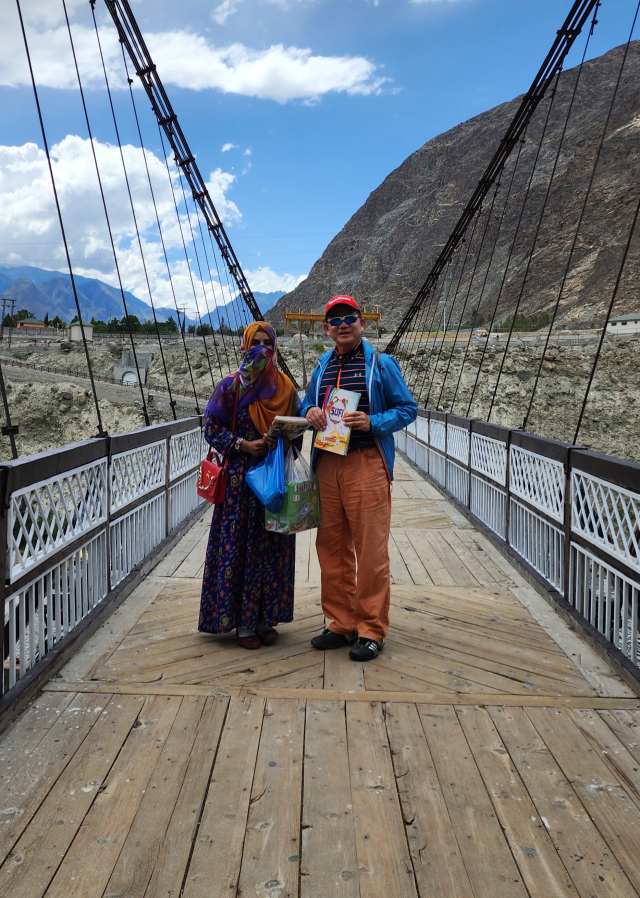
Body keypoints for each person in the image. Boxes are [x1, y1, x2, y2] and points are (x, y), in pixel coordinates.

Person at [301, 295, 417, 661]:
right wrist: (312, 412)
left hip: (366, 462)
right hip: (328, 463)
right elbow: (304, 403)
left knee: (369, 551)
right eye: (335, 320)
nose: (343, 324)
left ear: (362, 324)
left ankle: (370, 630)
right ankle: (340, 622)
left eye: (350, 318)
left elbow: (407, 408)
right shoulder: (321, 366)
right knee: (331, 547)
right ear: (326, 329)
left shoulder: (381, 364)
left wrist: (373, 422)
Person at [199, 321, 299, 649]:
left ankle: (264, 618)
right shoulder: (230, 387)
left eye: (267, 342)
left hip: (273, 479)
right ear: (244, 346)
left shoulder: (286, 389)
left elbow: (297, 434)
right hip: (240, 484)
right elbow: (210, 427)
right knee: (240, 547)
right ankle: (241, 623)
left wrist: (283, 439)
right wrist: (244, 445)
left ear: (276, 347)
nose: (260, 349)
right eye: (254, 342)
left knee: (272, 546)